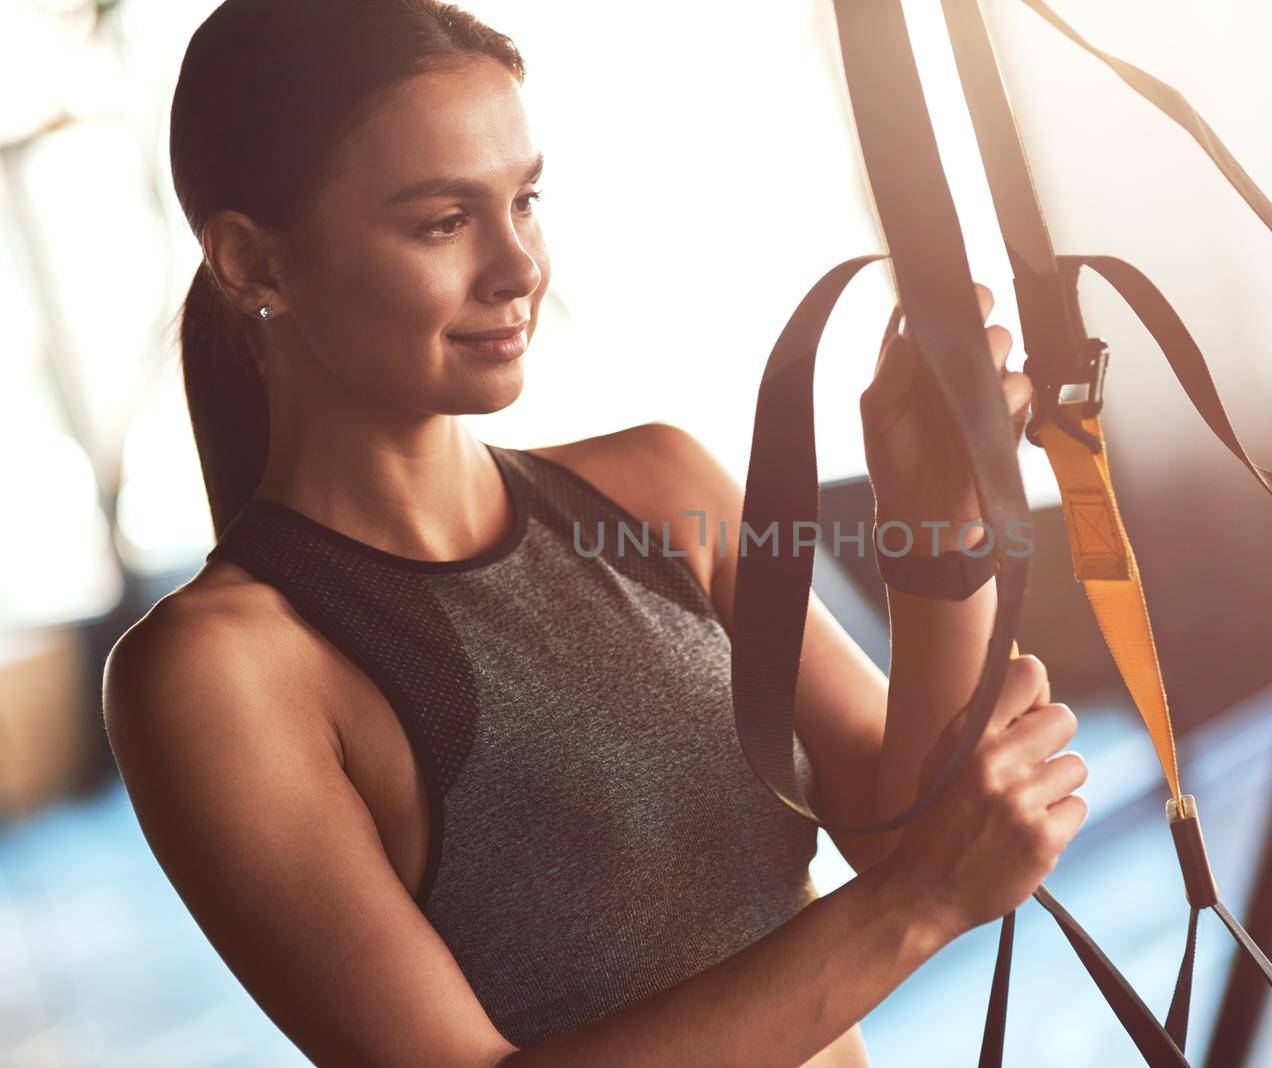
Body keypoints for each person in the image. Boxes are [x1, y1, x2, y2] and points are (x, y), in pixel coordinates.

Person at [101, 2, 1090, 1065]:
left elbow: (901, 823)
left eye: (524, 200)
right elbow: (922, 876)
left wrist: (936, 529)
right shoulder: (219, 675)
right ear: (253, 264)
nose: (518, 266)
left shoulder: (663, 489)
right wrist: (918, 905)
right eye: (443, 222)